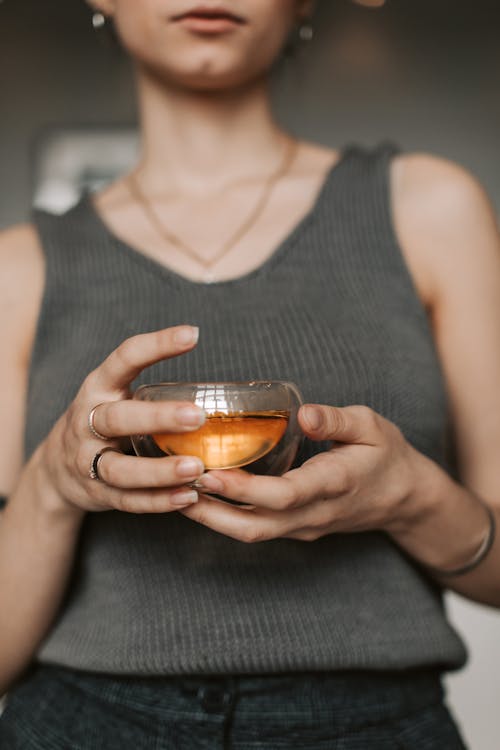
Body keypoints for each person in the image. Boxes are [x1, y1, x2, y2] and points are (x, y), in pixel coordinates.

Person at [0, 1, 499, 747]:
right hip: (80, 722)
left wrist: (412, 498)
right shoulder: (18, 268)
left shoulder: (430, 208)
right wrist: (53, 483)